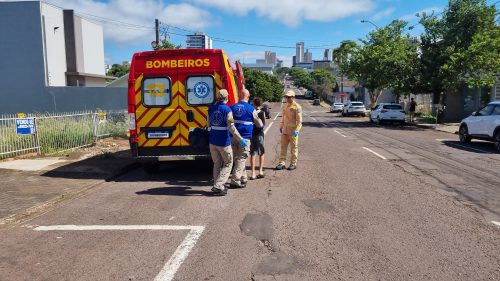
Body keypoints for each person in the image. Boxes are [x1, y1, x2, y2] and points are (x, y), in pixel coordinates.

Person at [207, 89, 246, 196]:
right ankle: (219, 185)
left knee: (217, 163)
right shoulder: (227, 110)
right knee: (228, 163)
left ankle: (217, 184)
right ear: (226, 97)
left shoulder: (210, 109)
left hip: (212, 141)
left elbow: (208, 125)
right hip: (223, 142)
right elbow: (231, 127)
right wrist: (240, 139)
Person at [229, 89, 263, 188]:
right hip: (244, 138)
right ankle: (235, 180)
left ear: (239, 96)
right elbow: (259, 124)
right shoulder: (251, 109)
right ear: (248, 97)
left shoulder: (232, 107)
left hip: (233, 137)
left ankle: (243, 178)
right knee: (241, 158)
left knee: (238, 158)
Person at [276, 90, 302, 171]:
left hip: (293, 131)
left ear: (293, 97)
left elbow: (299, 121)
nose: (287, 98)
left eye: (289, 97)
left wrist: (297, 130)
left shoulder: (297, 107)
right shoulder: (285, 106)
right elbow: (283, 117)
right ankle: (282, 163)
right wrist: (281, 126)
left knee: (293, 148)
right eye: (287, 97)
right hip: (285, 130)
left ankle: (293, 163)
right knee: (283, 147)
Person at [250, 97, 266, 180]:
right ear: (260, 104)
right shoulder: (262, 113)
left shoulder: (251, 112)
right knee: (261, 153)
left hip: (252, 134)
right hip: (260, 134)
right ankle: (260, 171)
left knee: (253, 153)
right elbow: (264, 124)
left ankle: (253, 173)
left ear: (254, 104)